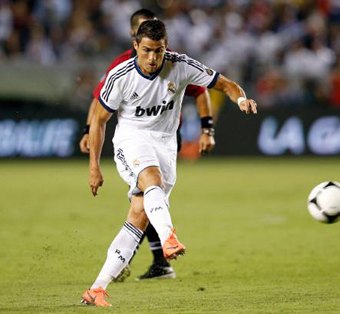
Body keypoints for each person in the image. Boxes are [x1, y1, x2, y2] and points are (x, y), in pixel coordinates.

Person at [80, 19, 257, 307]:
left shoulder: (181, 65)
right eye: (147, 50)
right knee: (152, 179)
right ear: (136, 46)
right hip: (131, 140)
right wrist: (94, 167)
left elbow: (227, 85)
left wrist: (242, 100)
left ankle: (96, 289)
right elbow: (99, 120)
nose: (153, 58)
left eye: (159, 51)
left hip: (166, 144)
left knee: (138, 216)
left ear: (166, 47)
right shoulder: (119, 75)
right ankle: (168, 237)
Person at [79, 9, 216, 281]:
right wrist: (88, 130)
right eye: (145, 31)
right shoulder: (121, 68)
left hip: (167, 139)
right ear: (134, 37)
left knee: (147, 200)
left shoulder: (172, 63)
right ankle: (154, 256)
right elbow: (100, 101)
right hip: (135, 139)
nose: (152, 50)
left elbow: (201, 91)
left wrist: (206, 128)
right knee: (147, 195)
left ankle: (131, 265)